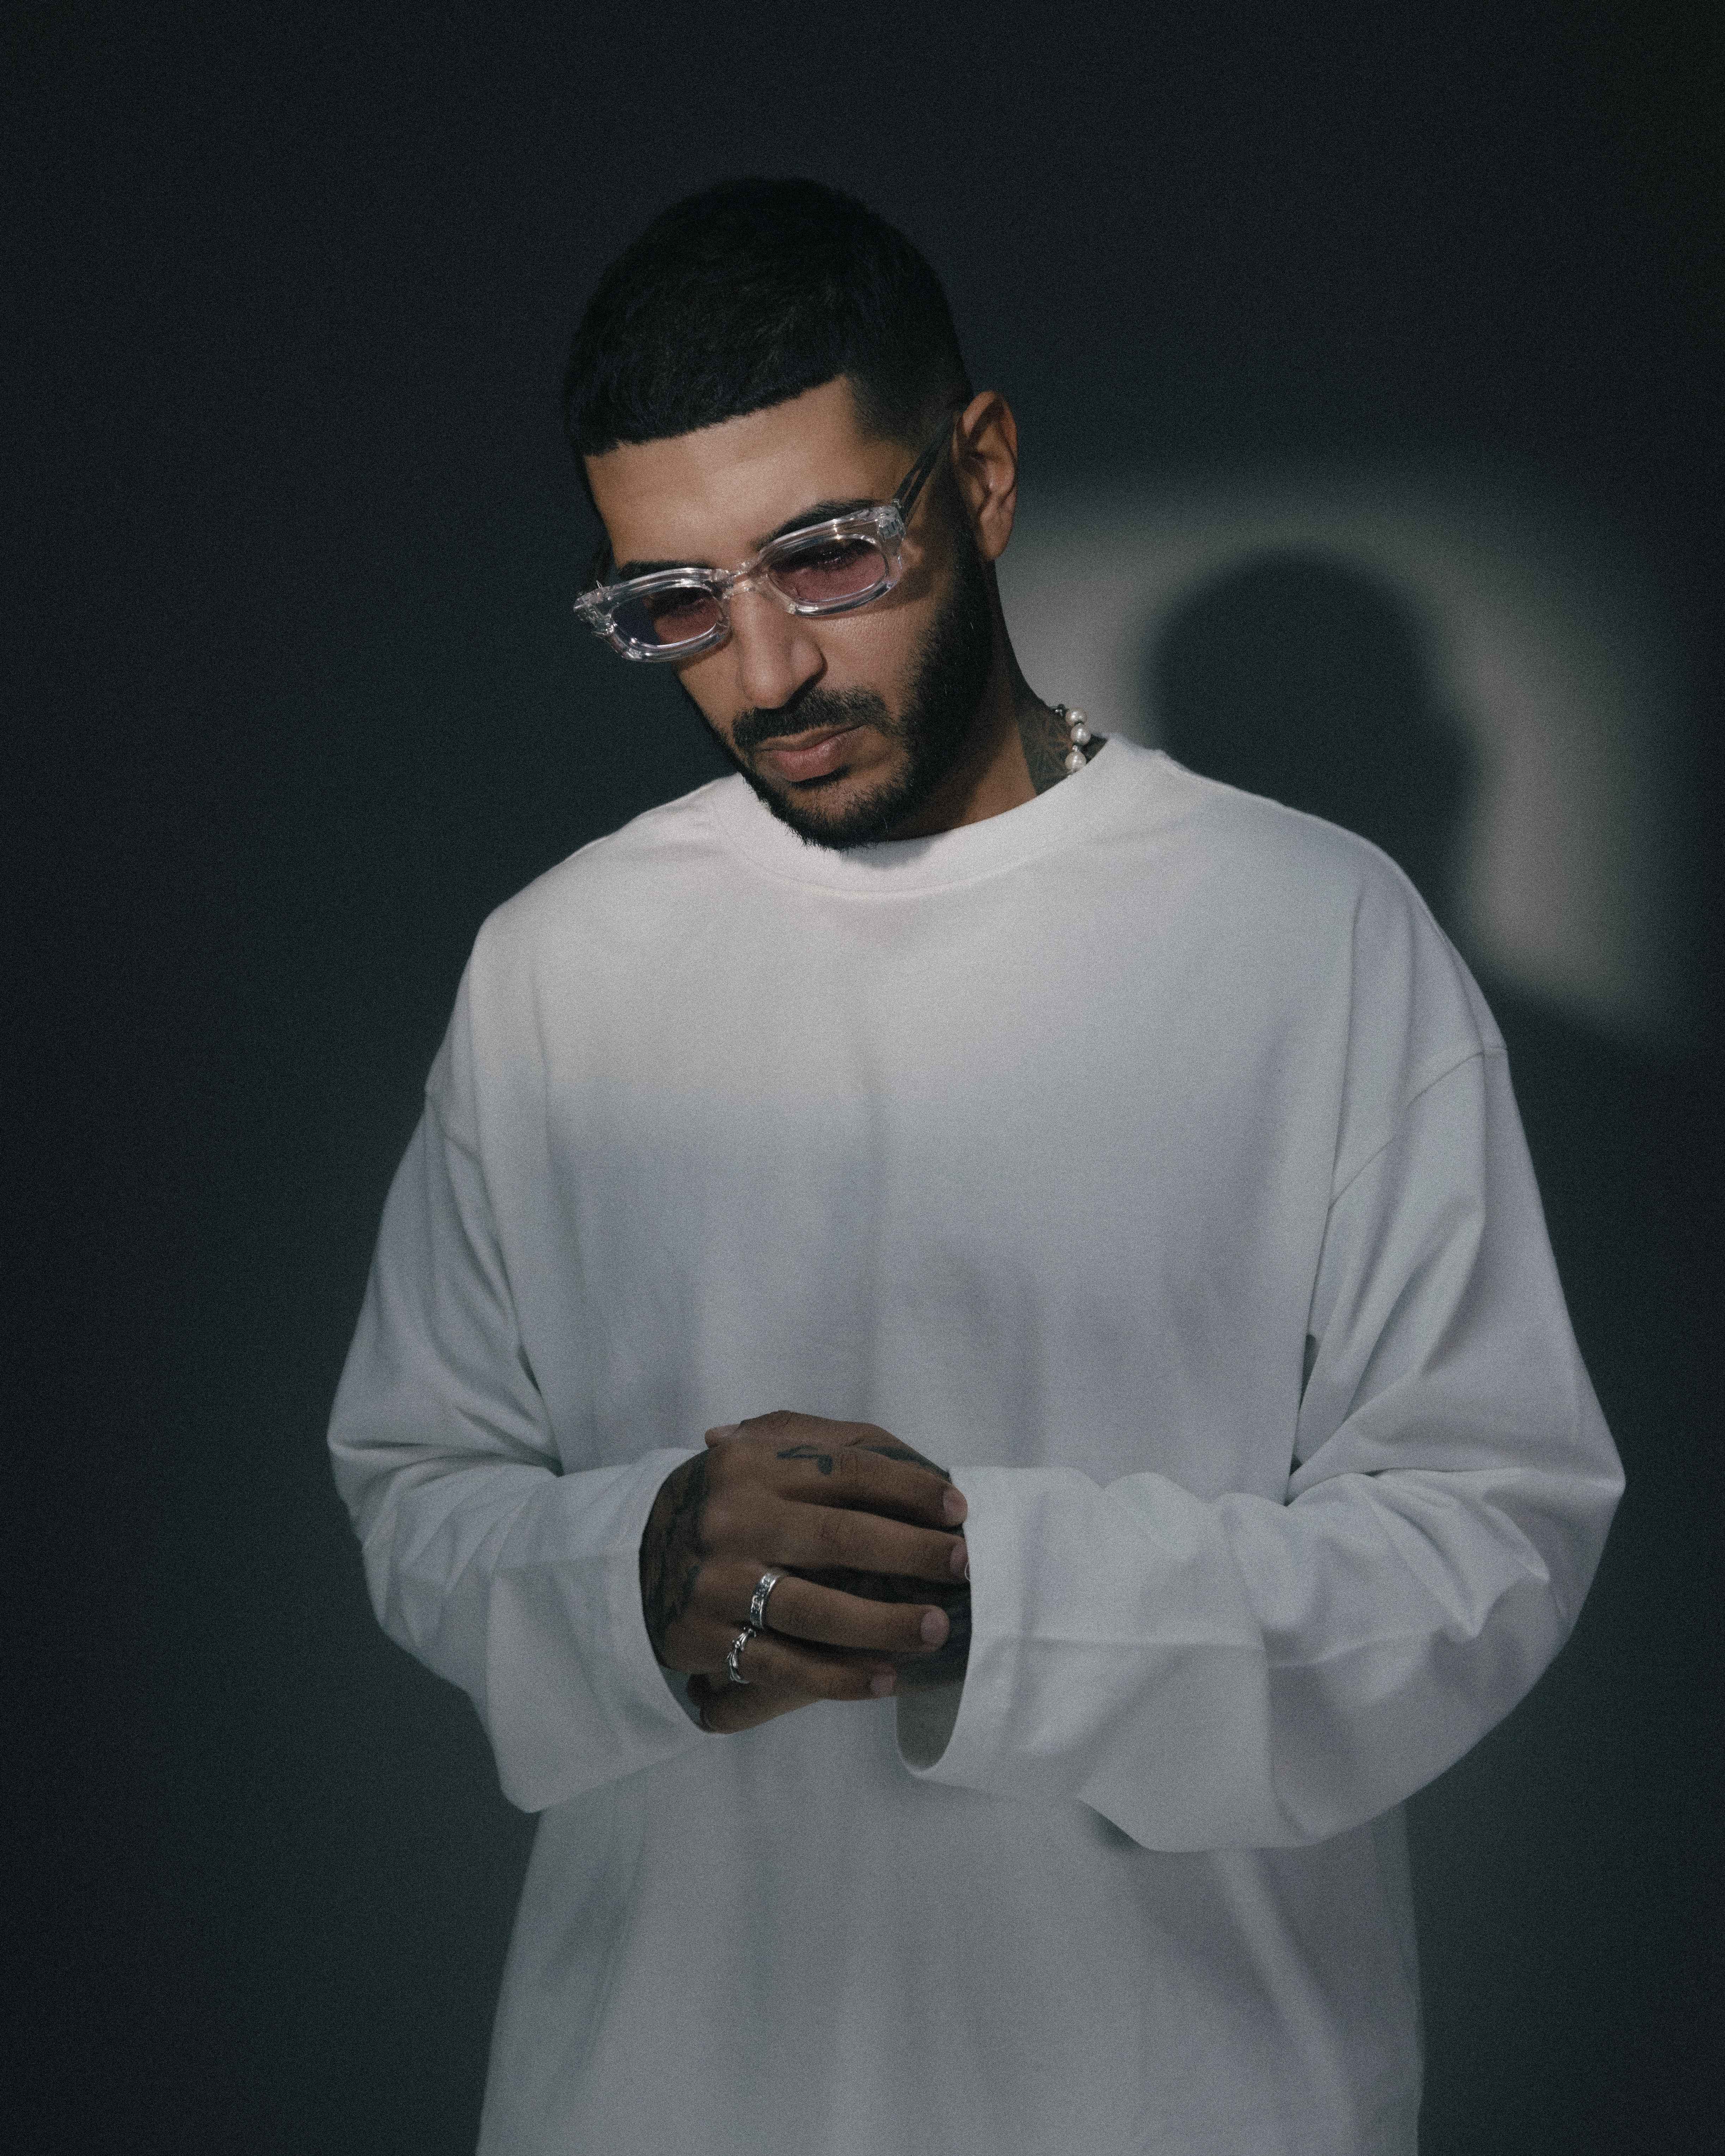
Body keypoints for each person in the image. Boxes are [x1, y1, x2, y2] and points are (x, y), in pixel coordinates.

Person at [327, 177, 1622, 2156]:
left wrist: (990, 1596)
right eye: (675, 602)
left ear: (986, 474)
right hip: (656, 2094)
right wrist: (632, 1569)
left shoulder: (1316, 934)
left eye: (826, 555)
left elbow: (1492, 1531)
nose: (766, 670)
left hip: (1187, 2100)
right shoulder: (555, 969)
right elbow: (418, 1487)